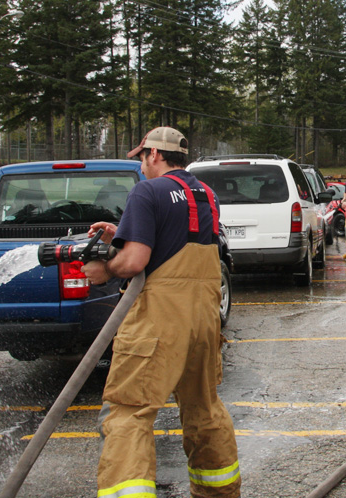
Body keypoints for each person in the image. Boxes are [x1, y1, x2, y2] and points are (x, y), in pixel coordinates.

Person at [81, 126, 241, 498]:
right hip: (203, 323)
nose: (140, 165)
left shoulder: (147, 191)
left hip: (157, 324)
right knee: (204, 410)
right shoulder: (206, 194)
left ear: (154, 154)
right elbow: (174, 239)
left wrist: (104, 269)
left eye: (142, 157)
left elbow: (135, 261)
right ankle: (219, 493)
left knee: (128, 413)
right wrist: (123, 232)